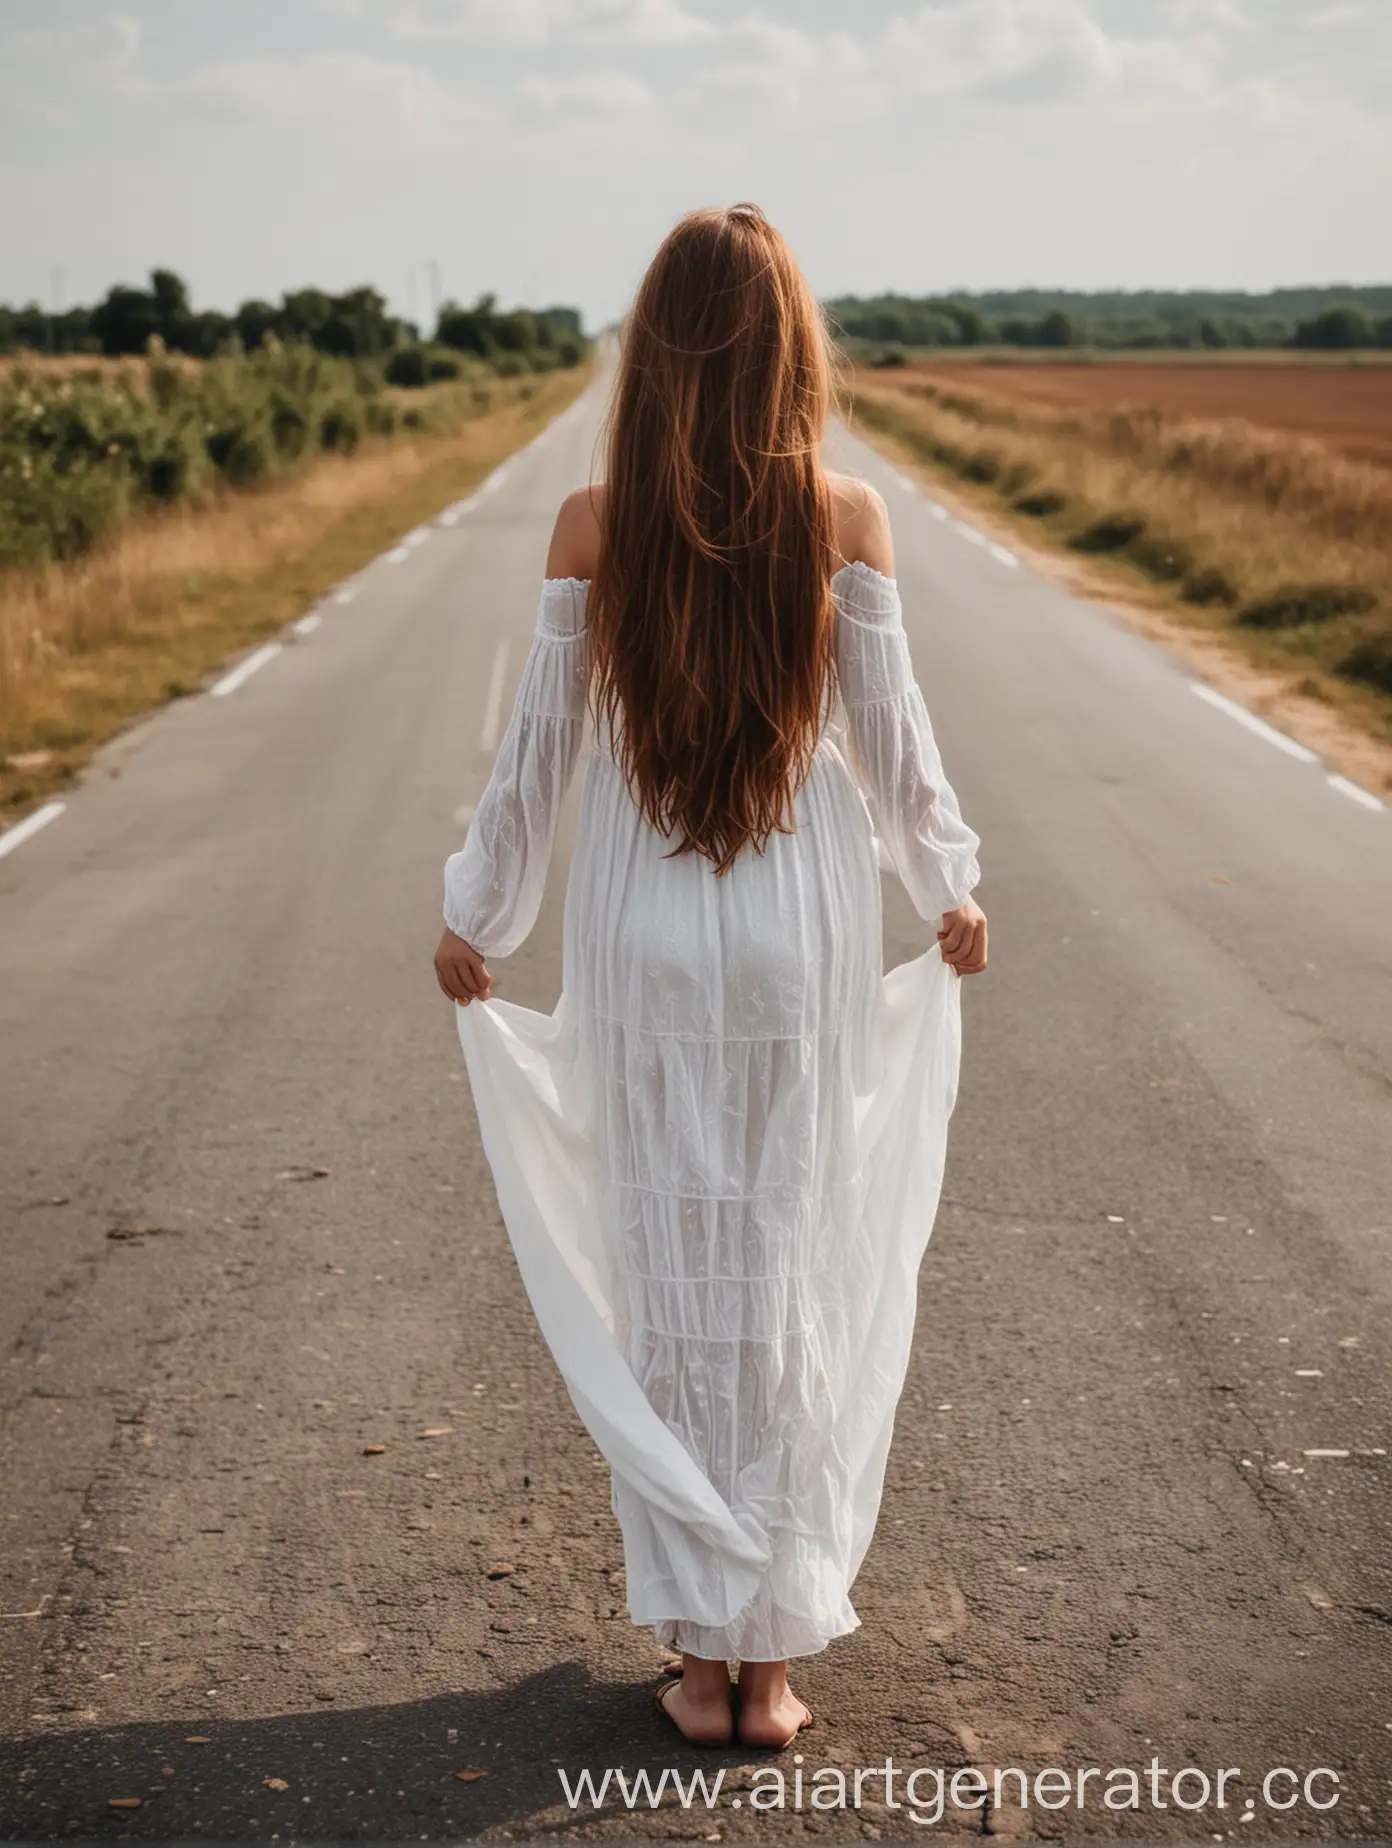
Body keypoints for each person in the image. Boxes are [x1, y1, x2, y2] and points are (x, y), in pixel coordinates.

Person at [434, 204, 986, 1751]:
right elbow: (899, 751)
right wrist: (952, 889)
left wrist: (477, 908)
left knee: (673, 1270)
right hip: (796, 932)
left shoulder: (596, 525)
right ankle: (774, 1665)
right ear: (793, 352)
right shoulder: (849, 517)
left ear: (656, 357)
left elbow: (536, 754)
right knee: (794, 1263)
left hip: (645, 934)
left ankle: (701, 1654)